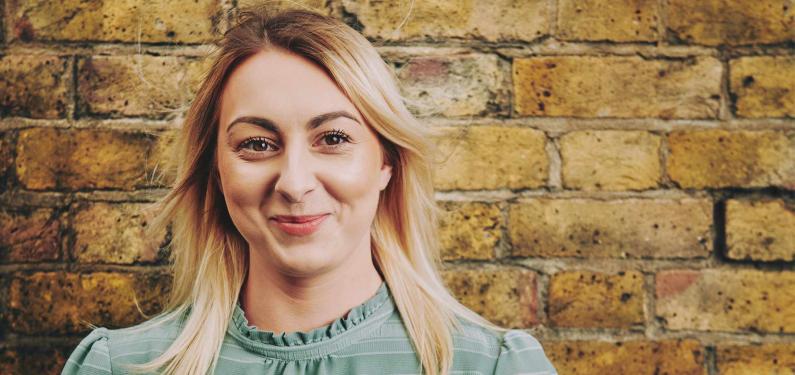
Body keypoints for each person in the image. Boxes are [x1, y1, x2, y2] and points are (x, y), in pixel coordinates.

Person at [61, 5, 557, 375]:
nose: (295, 184)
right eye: (257, 143)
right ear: (215, 170)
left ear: (386, 161)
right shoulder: (118, 366)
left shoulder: (493, 365)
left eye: (334, 138)